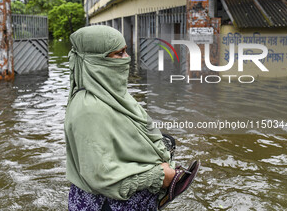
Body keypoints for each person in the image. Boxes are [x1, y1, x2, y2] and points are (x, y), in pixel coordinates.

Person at [64, 25, 199, 211]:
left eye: (126, 51)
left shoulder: (111, 94)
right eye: (119, 54)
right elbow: (101, 178)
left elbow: (127, 135)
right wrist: (159, 176)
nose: (127, 59)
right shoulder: (89, 109)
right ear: (97, 61)